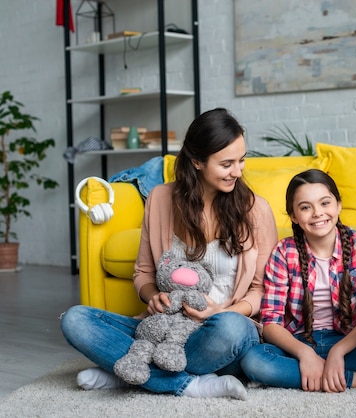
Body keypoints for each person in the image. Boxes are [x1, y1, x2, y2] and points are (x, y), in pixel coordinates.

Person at [60, 108, 278, 399]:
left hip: (220, 330)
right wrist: (153, 297)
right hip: (165, 327)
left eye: (241, 160)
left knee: (231, 329)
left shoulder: (255, 209)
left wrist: (222, 311)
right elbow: (144, 273)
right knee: (74, 319)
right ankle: (186, 383)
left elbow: (263, 289)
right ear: (197, 162)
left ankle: (128, 371)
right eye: (226, 164)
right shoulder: (161, 199)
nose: (238, 172)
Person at [241, 169, 356, 392]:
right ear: (294, 216)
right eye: (305, 207)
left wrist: (338, 351)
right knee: (254, 361)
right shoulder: (283, 252)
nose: (317, 213)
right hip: (300, 343)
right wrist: (305, 354)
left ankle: (305, 374)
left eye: (325, 203)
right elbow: (271, 324)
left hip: (350, 340)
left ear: (338, 205)